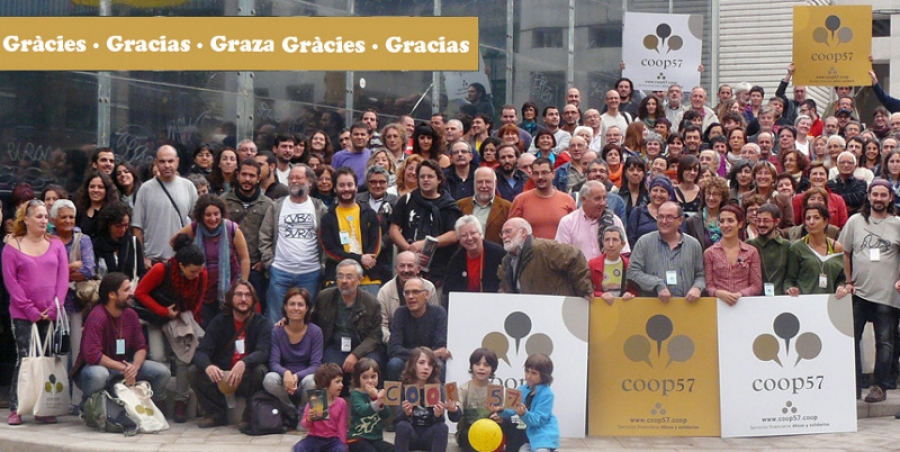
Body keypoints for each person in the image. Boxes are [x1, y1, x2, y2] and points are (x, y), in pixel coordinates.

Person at [2, 199, 69, 425]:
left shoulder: (56, 244)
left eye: (46, 217)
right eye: (39, 216)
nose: (44, 220)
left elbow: (63, 278)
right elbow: (11, 282)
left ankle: (44, 407)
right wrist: (29, 309)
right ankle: (17, 407)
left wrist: (55, 307)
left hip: (51, 313)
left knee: (47, 359)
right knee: (25, 358)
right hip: (23, 314)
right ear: (26, 219)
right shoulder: (12, 246)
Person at [836, 180, 900, 403]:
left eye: (883, 195)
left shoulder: (897, 224)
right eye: (875, 194)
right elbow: (844, 251)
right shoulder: (855, 221)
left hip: (887, 294)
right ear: (869, 196)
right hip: (859, 292)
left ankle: (879, 387)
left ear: (890, 198)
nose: (879, 199)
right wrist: (848, 280)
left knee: (885, 342)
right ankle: (851, 386)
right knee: (850, 339)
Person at [73, 272, 171, 416]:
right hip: (100, 368)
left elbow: (141, 347)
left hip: (125, 366)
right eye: (126, 290)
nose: (132, 293)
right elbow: (92, 355)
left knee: (162, 372)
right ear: (112, 295)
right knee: (98, 375)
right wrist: (124, 368)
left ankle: (151, 409)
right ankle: (90, 406)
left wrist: (134, 367)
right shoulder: (97, 316)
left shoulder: (130, 314)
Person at [134, 233, 207, 423]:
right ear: (181, 265)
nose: (197, 275)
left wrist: (187, 321)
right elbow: (140, 292)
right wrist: (163, 311)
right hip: (157, 318)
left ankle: (181, 400)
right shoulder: (161, 269)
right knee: (159, 357)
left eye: (199, 270)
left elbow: (199, 300)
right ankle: (159, 398)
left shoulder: (202, 274)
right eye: (193, 271)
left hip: (182, 319)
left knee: (183, 358)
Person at [190, 280, 272, 428]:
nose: (243, 299)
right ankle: (215, 415)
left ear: (253, 299)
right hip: (222, 375)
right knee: (195, 371)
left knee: (260, 371)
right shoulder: (219, 321)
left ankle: (249, 417)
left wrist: (244, 363)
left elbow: (263, 351)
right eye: (239, 294)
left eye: (247, 295)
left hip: (246, 374)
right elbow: (201, 352)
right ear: (231, 298)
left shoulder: (262, 323)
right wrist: (208, 366)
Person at [260, 164, 328, 322]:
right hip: (280, 272)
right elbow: (265, 235)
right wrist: (269, 263)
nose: (294, 181)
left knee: (306, 319)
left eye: (298, 178)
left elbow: (327, 239)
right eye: (291, 178)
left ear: (310, 182)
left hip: (311, 273)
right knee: (275, 318)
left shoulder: (319, 208)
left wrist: (323, 265)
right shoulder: (276, 206)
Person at [173, 194, 250, 326]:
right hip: (202, 290)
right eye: (208, 215)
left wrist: (243, 283)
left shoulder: (232, 229)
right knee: (205, 326)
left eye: (216, 214)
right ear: (201, 216)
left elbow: (244, 258)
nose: (213, 219)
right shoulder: (195, 228)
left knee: (227, 327)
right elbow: (174, 241)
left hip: (228, 288)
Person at [49, 199, 95, 406]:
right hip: (52, 305)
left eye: (71, 217)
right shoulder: (47, 240)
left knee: (76, 352)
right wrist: (70, 267)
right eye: (63, 217)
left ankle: (76, 401)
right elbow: (44, 271)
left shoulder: (83, 239)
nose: (68, 221)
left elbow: (89, 270)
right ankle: (57, 400)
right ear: (54, 220)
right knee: (56, 353)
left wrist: (59, 272)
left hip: (76, 304)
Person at [389, 159, 462, 287]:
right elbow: (394, 230)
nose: (425, 180)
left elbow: (454, 235)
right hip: (409, 270)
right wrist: (411, 251)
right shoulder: (407, 200)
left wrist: (425, 245)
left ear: (439, 179)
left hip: (439, 270)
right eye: (422, 176)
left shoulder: (449, 205)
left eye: (430, 176)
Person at [314, 259, 384, 384]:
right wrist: (287, 320)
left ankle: (369, 396)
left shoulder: (371, 303)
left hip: (361, 346)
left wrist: (356, 354)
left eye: (349, 277)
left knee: (371, 365)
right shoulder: (325, 297)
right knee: (329, 369)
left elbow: (375, 336)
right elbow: (310, 320)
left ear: (360, 279)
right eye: (340, 276)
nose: (344, 281)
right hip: (335, 346)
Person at [133, 145, 199, 267]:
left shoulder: (188, 186)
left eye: (170, 161)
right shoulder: (145, 189)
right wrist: (142, 257)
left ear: (177, 161)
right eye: (162, 161)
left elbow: (197, 223)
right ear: (156, 162)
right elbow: (137, 227)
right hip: (153, 260)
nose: (167, 165)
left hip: (181, 259)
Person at [628, 201, 706, 302]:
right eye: (660, 217)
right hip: (652, 307)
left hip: (686, 307)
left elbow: (701, 275)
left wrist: (697, 287)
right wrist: (656, 284)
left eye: (669, 217)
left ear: (680, 220)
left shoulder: (693, 245)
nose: (664, 221)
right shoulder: (644, 242)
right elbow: (632, 272)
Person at [223, 158, 275, 307]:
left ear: (258, 178)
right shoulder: (223, 201)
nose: (247, 179)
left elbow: (273, 235)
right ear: (237, 175)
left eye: (252, 176)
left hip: (256, 267)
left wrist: (265, 260)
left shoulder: (268, 205)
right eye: (244, 174)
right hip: (229, 266)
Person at [498, 217, 593, 299]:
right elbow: (505, 287)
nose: (504, 236)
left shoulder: (544, 248)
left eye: (508, 231)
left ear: (523, 232)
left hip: (554, 306)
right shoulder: (507, 260)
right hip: (528, 308)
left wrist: (584, 289)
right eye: (502, 233)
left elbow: (575, 255)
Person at [321, 167, 382, 293]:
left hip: (368, 278)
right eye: (342, 185)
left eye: (350, 185)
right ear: (335, 188)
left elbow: (375, 244)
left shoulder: (370, 214)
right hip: (337, 278)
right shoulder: (327, 218)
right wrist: (359, 259)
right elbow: (329, 249)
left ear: (356, 187)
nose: (346, 189)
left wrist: (366, 262)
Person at [263, 287, 323, 411]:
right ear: (285, 307)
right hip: (284, 382)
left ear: (307, 308)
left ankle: (306, 413)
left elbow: (316, 365)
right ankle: (290, 410)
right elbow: (273, 363)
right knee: (269, 379)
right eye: (292, 304)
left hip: (305, 379)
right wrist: (286, 373)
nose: (296, 308)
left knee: (314, 381)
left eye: (300, 304)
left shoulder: (316, 331)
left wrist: (296, 376)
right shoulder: (277, 331)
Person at [393, 347, 459, 452]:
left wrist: (438, 415)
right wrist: (406, 413)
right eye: (421, 363)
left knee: (442, 427)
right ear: (413, 365)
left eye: (430, 364)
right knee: (402, 426)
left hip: (428, 435)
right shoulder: (403, 387)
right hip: (411, 434)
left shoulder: (438, 388)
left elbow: (440, 421)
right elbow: (398, 418)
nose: (426, 367)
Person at [492, 353, 559, 452]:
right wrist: (501, 410)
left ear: (544, 375)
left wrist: (524, 414)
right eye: (527, 371)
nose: (528, 376)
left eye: (534, 373)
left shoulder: (547, 394)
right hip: (526, 438)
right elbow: (512, 410)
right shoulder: (521, 389)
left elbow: (539, 420)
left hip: (542, 437)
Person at [386, 277, 449, 381]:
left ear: (426, 295)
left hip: (429, 362)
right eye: (407, 293)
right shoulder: (400, 313)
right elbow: (394, 349)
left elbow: (440, 346)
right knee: (394, 364)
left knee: (440, 366)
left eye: (415, 292)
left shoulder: (438, 312)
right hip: (407, 360)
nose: (410, 296)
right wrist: (429, 355)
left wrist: (425, 359)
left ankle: (435, 392)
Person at [702, 205, 762, 306]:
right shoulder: (709, 253)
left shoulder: (751, 252)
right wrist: (718, 293)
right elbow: (708, 286)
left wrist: (740, 294)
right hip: (718, 306)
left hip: (745, 305)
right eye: (722, 221)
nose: (725, 225)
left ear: (740, 224)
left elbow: (756, 285)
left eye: (730, 221)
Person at [556, 181, 629, 262]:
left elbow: (624, 253)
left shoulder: (614, 221)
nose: (602, 203)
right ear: (584, 199)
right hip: (578, 269)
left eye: (604, 198)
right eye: (597, 199)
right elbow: (562, 257)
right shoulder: (568, 222)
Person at [784, 203, 845, 296]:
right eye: (808, 218)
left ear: (825, 221)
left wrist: (841, 287)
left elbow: (841, 278)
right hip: (805, 301)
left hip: (829, 301)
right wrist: (790, 289)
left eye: (816, 218)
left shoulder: (836, 247)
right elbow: (789, 280)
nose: (811, 222)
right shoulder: (797, 247)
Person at [509, 157, 576, 240]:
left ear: (553, 174)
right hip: (530, 248)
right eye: (536, 173)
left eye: (544, 173)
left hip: (561, 248)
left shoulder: (567, 200)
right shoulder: (520, 200)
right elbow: (512, 231)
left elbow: (575, 231)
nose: (540, 177)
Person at [444, 215, 505, 297]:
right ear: (459, 239)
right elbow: (449, 290)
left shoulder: (499, 254)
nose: (469, 238)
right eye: (464, 235)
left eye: (473, 233)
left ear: (480, 234)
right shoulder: (456, 260)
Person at [293, 363, 348, 452]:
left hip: (332, 439)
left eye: (341, 381)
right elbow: (304, 425)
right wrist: (309, 419)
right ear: (325, 384)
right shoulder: (315, 400)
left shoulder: (341, 403)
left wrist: (343, 443)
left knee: (340, 449)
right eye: (337, 382)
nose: (341, 385)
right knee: (299, 447)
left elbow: (342, 427)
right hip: (314, 437)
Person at [454, 348, 500, 452]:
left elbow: (500, 415)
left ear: (492, 368)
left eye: (486, 365)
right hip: (467, 431)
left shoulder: (496, 391)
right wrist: (454, 410)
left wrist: (499, 416)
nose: (481, 368)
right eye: (477, 364)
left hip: (489, 432)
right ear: (472, 366)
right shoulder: (464, 389)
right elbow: (456, 414)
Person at [456, 167, 511, 245]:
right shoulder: (460, 205)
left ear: (495, 183)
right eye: (479, 182)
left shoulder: (507, 207)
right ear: (474, 183)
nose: (484, 186)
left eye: (488, 182)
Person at [348, 358, 393, 452]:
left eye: (373, 377)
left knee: (392, 449)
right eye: (365, 377)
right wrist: (376, 400)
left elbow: (387, 414)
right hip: (357, 438)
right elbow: (363, 410)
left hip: (375, 438)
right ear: (358, 378)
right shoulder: (356, 394)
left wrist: (377, 398)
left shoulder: (379, 393)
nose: (370, 381)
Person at [747, 204, 791, 296]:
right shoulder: (749, 245)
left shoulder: (787, 246)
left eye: (766, 220)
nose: (761, 224)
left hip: (781, 298)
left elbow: (790, 277)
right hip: (756, 299)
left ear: (777, 222)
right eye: (758, 220)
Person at [589, 226, 638, 304]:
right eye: (607, 240)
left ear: (622, 244)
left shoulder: (630, 265)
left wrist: (630, 294)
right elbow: (587, 291)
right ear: (602, 243)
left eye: (615, 240)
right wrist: (600, 295)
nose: (611, 244)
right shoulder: (592, 265)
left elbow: (636, 289)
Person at [685, 176, 729, 250]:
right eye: (708, 193)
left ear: (722, 197)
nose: (711, 198)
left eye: (715, 194)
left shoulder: (730, 220)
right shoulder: (692, 221)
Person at [76, 170, 120, 238]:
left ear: (107, 190)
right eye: (92, 187)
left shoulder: (114, 212)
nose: (96, 190)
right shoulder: (79, 211)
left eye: (100, 187)